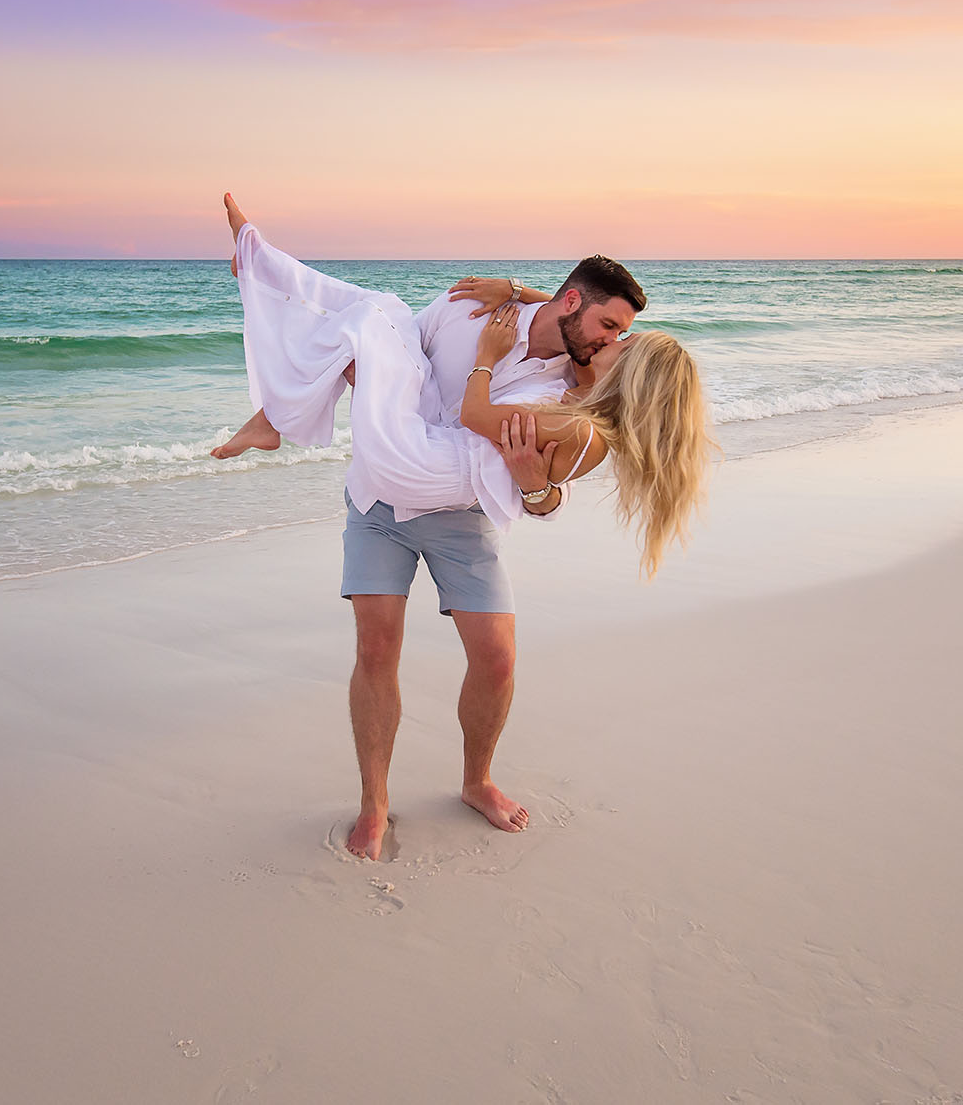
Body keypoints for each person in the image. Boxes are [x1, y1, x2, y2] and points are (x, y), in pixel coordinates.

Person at [213, 194, 712, 859]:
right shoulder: (471, 305)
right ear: (570, 302)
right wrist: (387, 367)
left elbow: (539, 487)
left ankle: (477, 779)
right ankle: (375, 803)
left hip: (458, 506)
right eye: (611, 327)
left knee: (498, 658)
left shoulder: (580, 381)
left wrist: (535, 483)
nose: (611, 342)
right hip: (383, 501)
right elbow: (402, 354)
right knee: (376, 649)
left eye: (622, 337)